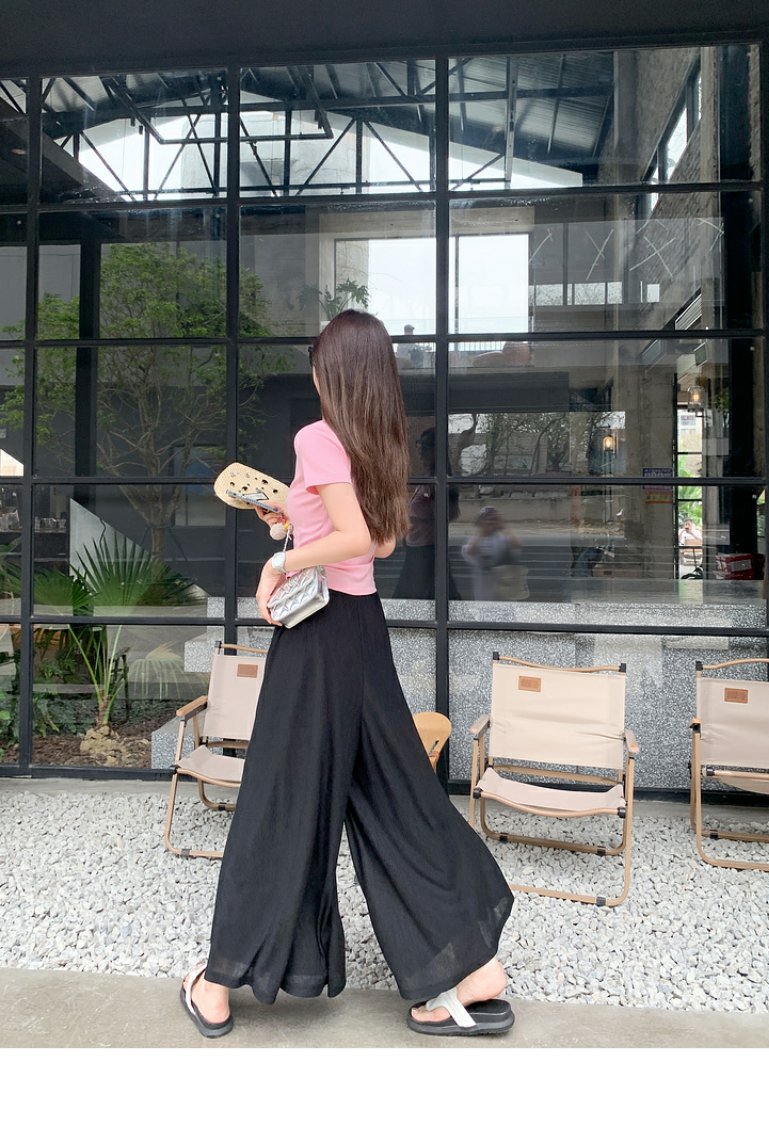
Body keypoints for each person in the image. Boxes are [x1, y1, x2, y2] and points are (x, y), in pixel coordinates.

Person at [181, 310, 514, 1039]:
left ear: (334, 371)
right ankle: (472, 964)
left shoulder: (317, 437)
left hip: (317, 637)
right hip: (362, 632)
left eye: (318, 361)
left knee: (281, 797)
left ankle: (218, 982)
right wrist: (292, 524)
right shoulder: (379, 442)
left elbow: (358, 536)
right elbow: (380, 539)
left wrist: (280, 560)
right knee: (396, 794)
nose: (312, 372)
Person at [393, 427, 461, 601]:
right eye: (420, 448)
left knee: (415, 596)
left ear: (436, 450)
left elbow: (448, 512)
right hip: (417, 546)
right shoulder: (428, 477)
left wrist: (412, 511)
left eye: (425, 448)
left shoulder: (439, 479)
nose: (421, 454)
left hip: (426, 549)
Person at [461, 506, 522, 601]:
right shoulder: (474, 540)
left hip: (503, 594)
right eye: (486, 519)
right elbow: (470, 551)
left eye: (493, 519)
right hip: (483, 594)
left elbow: (516, 545)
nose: (490, 522)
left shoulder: (502, 539)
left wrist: (503, 526)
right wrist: (482, 531)